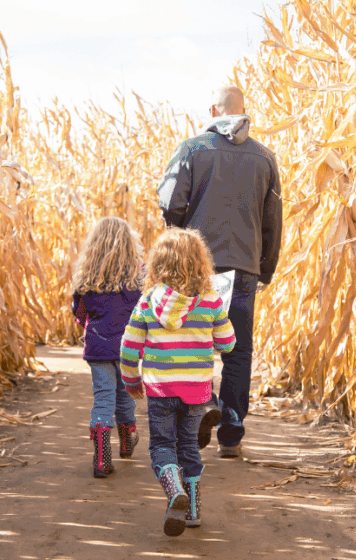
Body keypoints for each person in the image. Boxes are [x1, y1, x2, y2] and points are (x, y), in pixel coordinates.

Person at [156, 85, 283, 459]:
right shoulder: (265, 158)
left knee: (195, 343)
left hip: (197, 268)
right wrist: (265, 269)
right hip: (244, 268)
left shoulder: (193, 149)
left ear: (213, 109)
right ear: (244, 111)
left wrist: (179, 244)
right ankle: (231, 432)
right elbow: (273, 221)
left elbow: (170, 203)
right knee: (238, 349)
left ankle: (201, 410)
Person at [120, 228, 236, 536]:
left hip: (161, 388)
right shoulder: (211, 302)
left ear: (158, 264)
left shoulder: (147, 303)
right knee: (188, 446)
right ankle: (194, 511)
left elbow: (129, 348)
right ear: (200, 263)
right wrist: (213, 331)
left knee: (161, 445)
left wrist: (131, 380)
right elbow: (227, 343)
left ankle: (174, 494)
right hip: (196, 389)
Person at [71, 217, 144, 478]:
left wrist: (85, 323)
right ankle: (127, 441)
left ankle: (102, 459)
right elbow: (146, 309)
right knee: (126, 397)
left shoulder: (86, 274)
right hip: (130, 349)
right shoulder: (139, 274)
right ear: (129, 243)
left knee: (103, 398)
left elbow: (78, 312)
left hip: (98, 347)